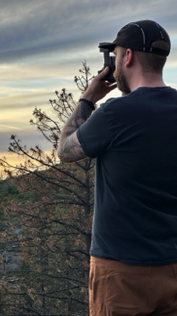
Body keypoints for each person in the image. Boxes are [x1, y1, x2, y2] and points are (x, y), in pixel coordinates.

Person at [57, 20, 177, 315]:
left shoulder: (115, 114)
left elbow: (65, 150)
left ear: (128, 57)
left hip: (121, 271)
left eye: (116, 54)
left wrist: (88, 99)